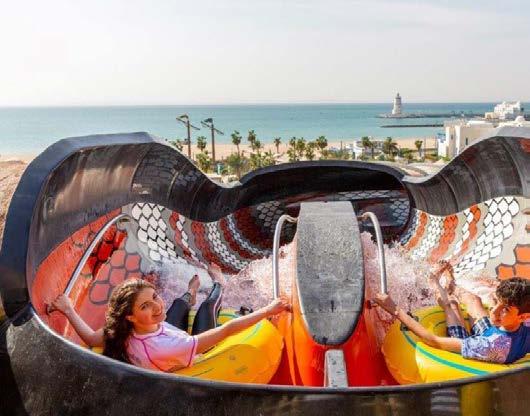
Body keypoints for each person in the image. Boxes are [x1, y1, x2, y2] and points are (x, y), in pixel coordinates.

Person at [50, 267, 291, 372]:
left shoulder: (123, 330)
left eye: (154, 297)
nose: (156, 305)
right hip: (183, 349)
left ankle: (190, 292)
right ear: (130, 316)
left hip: (160, 333)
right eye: (145, 306)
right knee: (207, 307)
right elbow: (227, 331)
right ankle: (219, 282)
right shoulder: (168, 347)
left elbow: (91, 337)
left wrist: (68, 310)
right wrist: (267, 311)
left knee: (176, 305)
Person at [373, 261, 530, 364]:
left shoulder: (493, 346)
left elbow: (434, 341)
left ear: (523, 317)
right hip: (495, 332)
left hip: (478, 347)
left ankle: (433, 281)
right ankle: (451, 285)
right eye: (497, 302)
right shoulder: (522, 322)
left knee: (452, 305)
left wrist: (394, 309)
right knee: (473, 299)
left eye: (505, 309)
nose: (494, 311)